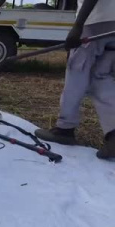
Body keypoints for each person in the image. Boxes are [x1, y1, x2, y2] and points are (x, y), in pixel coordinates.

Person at [35, 0, 115, 160]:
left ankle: (65, 128)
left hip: (95, 21)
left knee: (76, 73)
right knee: (101, 77)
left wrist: (78, 26)